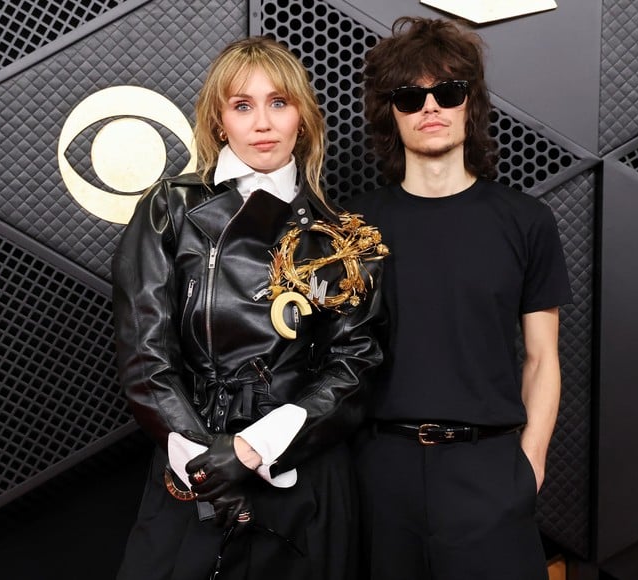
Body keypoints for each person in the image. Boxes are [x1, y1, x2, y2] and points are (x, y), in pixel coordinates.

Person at [112, 36, 386, 580]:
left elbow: (357, 365)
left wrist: (253, 448)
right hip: (192, 465)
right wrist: (207, 459)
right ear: (219, 122)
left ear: (302, 120)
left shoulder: (344, 239)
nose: (262, 122)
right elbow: (145, 354)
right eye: (243, 105)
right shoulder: (170, 208)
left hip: (300, 472)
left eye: (278, 103)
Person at [346, 17, 573, 580]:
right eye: (409, 95)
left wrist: (530, 463)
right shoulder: (354, 228)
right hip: (381, 469)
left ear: (470, 103)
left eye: (447, 91)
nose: (430, 107)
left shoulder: (526, 222)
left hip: (489, 467)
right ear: (389, 112)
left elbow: (543, 356)